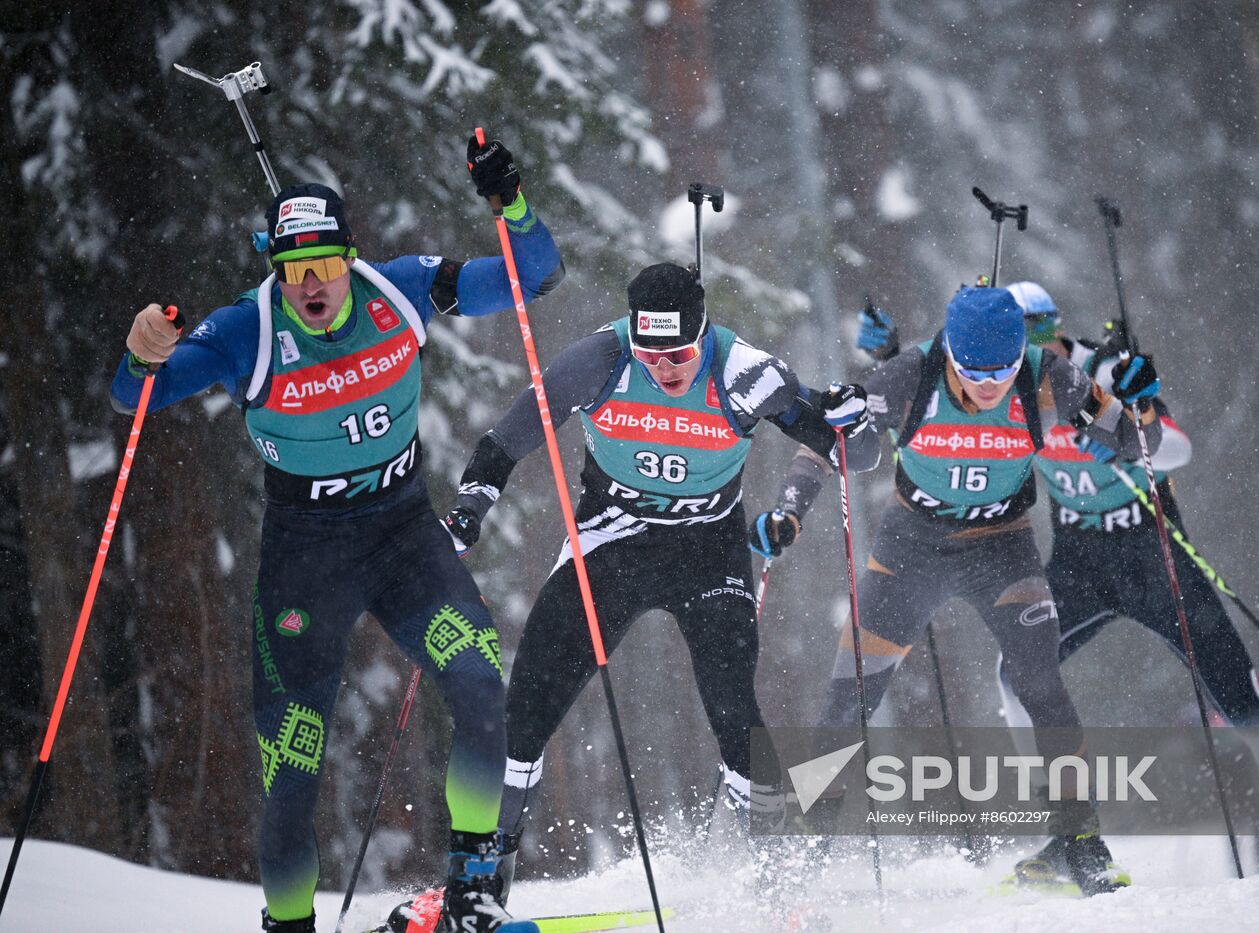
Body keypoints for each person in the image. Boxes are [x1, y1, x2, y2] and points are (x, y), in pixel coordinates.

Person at [110, 138, 564, 933]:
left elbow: (534, 277)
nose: (310, 283)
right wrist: (142, 352)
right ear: (273, 269)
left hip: (402, 538)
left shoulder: (401, 289)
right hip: (306, 559)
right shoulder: (243, 331)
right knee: (292, 769)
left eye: (323, 263)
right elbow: (135, 399)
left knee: (483, 690)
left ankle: (470, 897)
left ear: (350, 258)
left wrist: (512, 204)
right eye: (292, 268)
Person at [440, 261, 878, 897]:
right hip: (612, 540)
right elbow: (506, 441)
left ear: (703, 336)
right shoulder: (598, 361)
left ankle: (780, 880)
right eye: (650, 353)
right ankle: (478, 882)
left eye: (678, 354)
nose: (664, 369)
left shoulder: (744, 372)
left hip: (708, 549)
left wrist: (852, 421)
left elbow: (857, 458)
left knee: (732, 704)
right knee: (526, 708)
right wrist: (469, 509)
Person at [765, 285, 1163, 895]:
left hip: (1001, 549)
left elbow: (1139, 447)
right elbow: (828, 441)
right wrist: (790, 511)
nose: (988, 387)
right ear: (950, 352)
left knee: (1041, 683)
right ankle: (800, 860)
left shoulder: (1047, 375)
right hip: (910, 548)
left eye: (1001, 373)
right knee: (848, 702)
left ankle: (1082, 843)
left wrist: (1144, 403)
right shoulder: (910, 374)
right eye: (974, 372)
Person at [996, 280, 1259, 874]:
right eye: (1011, 340)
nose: (1026, 351)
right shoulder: (1004, 391)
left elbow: (1175, 451)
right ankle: (1067, 836)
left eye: (1036, 333)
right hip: (1079, 565)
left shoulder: (1106, 368)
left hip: (1155, 558)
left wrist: (1128, 432)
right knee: (1015, 677)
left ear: (1053, 328)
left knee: (1242, 699)